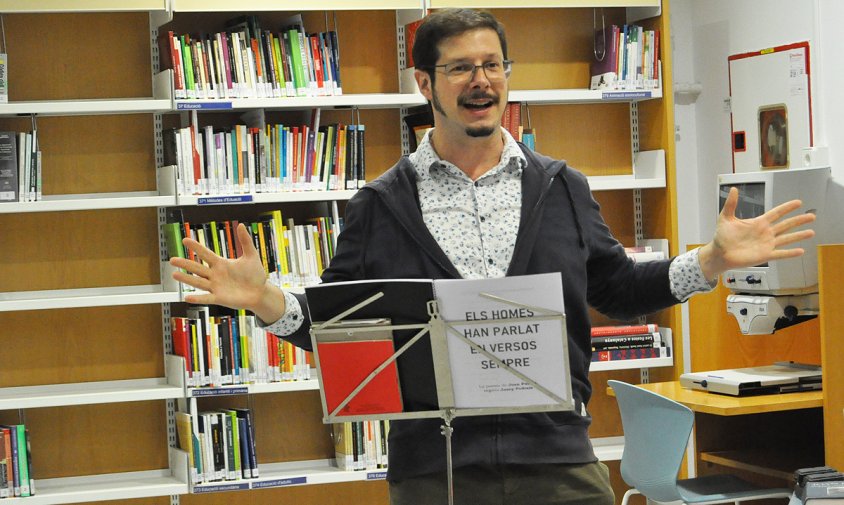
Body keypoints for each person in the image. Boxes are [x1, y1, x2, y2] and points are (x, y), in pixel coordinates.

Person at [170, 8, 816, 505]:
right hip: (436, 470)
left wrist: (709, 260)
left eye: (493, 64)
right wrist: (263, 300)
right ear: (425, 82)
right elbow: (342, 326)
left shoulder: (562, 186)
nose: (481, 80)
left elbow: (617, 287)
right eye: (459, 67)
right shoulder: (379, 204)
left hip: (557, 460)